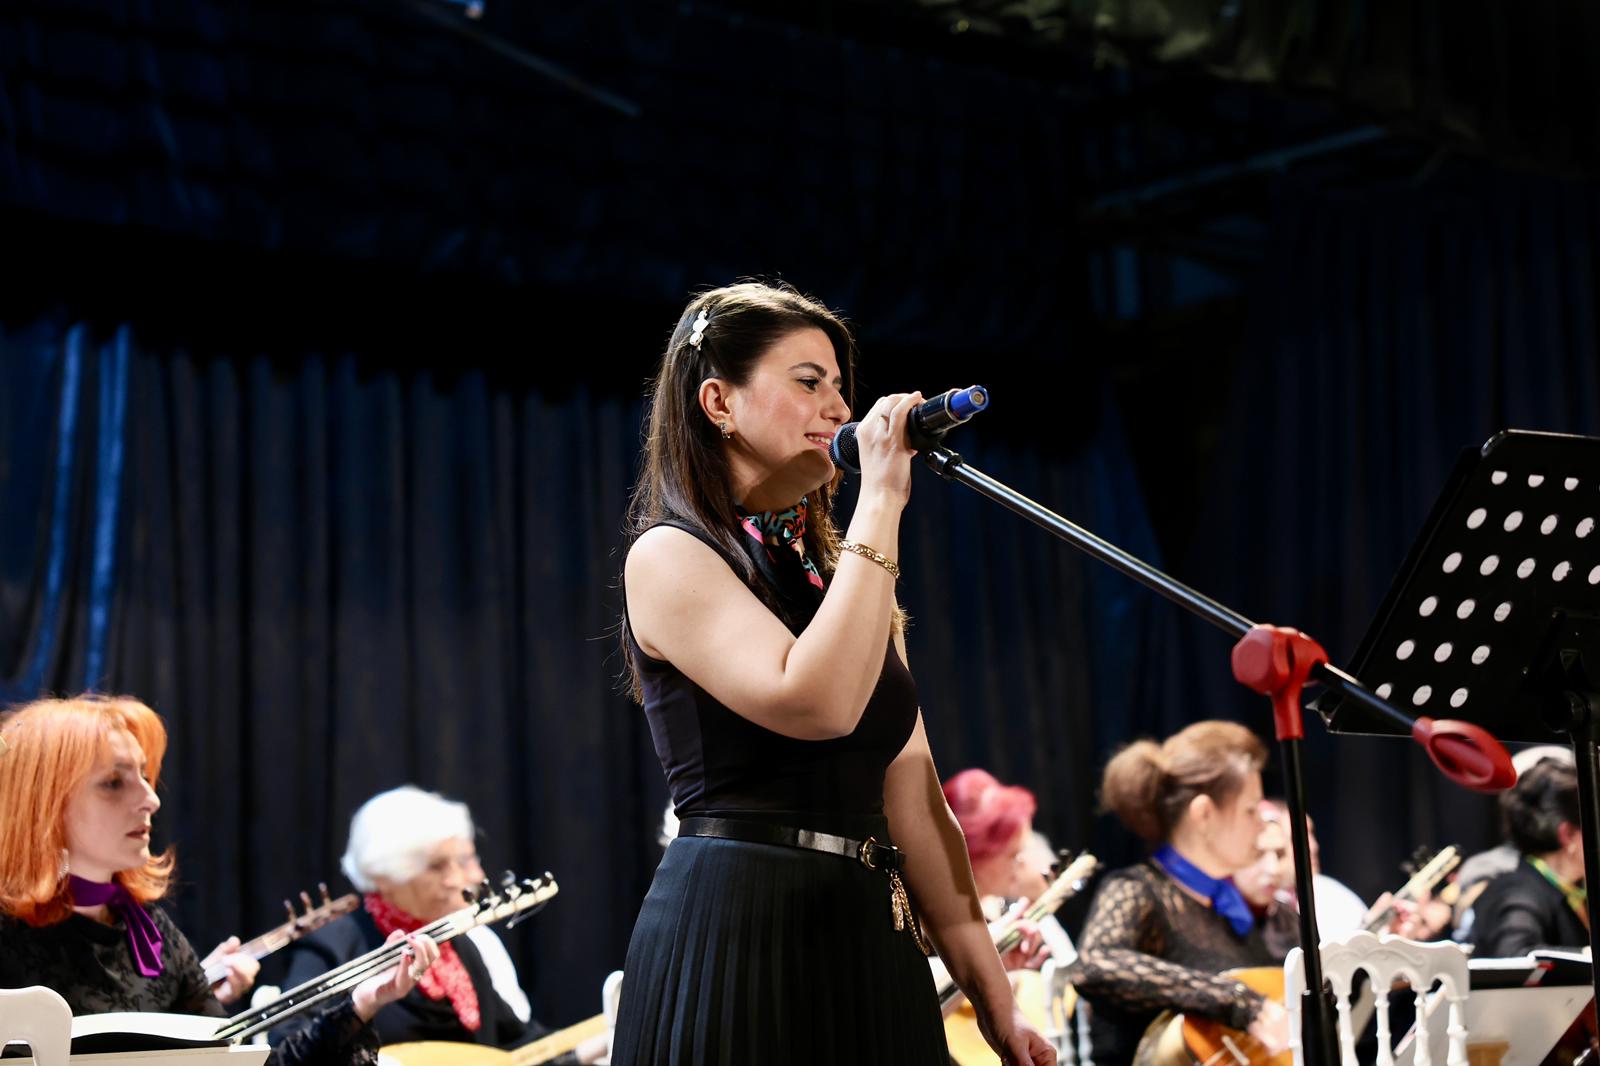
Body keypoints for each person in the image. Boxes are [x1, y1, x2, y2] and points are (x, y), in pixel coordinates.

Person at [611, 280, 1053, 1065]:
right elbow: (815, 703)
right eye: (809, 382)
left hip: (868, 933)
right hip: (739, 934)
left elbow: (916, 803)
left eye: (841, 388)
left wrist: (997, 1001)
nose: (841, 408)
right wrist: (881, 499)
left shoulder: (837, 575)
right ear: (718, 402)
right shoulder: (670, 555)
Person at [0, 695, 434, 1066]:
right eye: (114, 782)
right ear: (46, 804)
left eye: (145, 777)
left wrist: (363, 1002)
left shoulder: (152, 935)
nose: (150, 799)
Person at [276, 786, 605, 1064]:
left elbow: (516, 1046)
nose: (465, 878)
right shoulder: (333, 947)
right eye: (438, 866)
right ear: (386, 877)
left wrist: (603, 1040)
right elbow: (289, 1049)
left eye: (462, 861)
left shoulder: (459, 945)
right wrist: (362, 1007)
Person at [1068, 720, 1292, 1066]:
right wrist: (1234, 1000)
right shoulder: (1138, 889)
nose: (1262, 824)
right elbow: (1095, 966)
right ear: (1204, 814)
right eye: (1250, 810)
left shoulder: (1237, 906)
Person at [1466, 757, 1588, 957]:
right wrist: (1588, 955)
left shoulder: (1575, 890)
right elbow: (1514, 956)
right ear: (1567, 835)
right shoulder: (1516, 891)